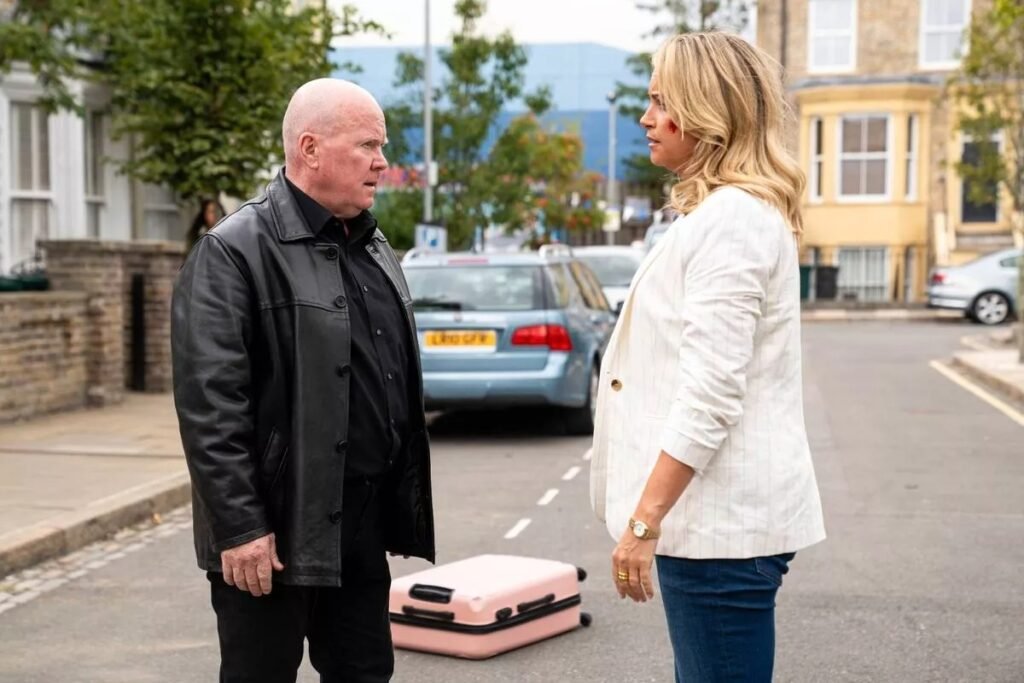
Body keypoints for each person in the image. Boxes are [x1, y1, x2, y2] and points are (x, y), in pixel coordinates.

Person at [171, 78, 435, 683]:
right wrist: (241, 527)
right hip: (274, 533)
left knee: (366, 673)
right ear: (310, 149)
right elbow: (210, 407)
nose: (382, 162)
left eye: (382, 146)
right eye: (368, 145)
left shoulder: (371, 243)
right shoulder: (233, 251)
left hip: (359, 526)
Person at [589, 32, 826, 682]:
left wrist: (644, 522)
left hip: (721, 532)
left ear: (708, 111)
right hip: (718, 527)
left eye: (662, 101)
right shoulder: (725, 214)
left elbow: (712, 392)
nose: (646, 117)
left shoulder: (734, 220)